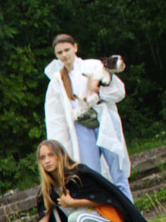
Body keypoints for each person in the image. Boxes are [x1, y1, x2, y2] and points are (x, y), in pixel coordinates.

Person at [21, 140, 152, 222]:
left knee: (76, 219)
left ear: (60, 155)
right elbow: (42, 221)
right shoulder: (48, 190)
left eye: (51, 155)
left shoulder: (79, 173)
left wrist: (73, 203)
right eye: (43, 157)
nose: (47, 161)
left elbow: (106, 197)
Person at [44, 33, 133, 201]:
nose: (64, 55)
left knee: (117, 171)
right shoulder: (56, 81)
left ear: (75, 47)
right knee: (92, 176)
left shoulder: (93, 66)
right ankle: (107, 219)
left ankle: (131, 214)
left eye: (67, 50)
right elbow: (55, 118)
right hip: (81, 129)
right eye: (59, 53)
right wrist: (58, 148)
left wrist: (96, 91)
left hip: (103, 121)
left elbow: (119, 91)